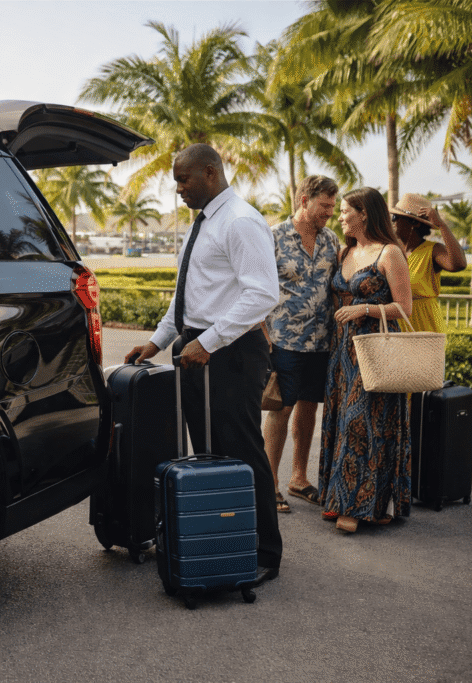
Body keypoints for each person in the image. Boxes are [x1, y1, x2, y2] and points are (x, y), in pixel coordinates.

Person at [125, 143, 281, 583]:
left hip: (230, 354)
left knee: (242, 452)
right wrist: (158, 342)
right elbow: (189, 295)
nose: (177, 189)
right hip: (196, 350)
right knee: (210, 455)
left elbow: (263, 294)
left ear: (210, 173)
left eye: (183, 179)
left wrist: (209, 342)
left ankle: (264, 553)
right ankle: (221, 542)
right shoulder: (205, 223)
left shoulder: (240, 221)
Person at [318, 187, 413, 534]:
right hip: (342, 350)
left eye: (345, 211)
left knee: (364, 425)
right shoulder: (347, 250)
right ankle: (344, 499)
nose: (340, 217)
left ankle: (354, 507)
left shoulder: (390, 253)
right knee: (344, 422)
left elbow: (404, 308)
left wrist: (366, 308)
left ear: (365, 214)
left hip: (375, 348)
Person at [263, 176, 340, 514]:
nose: (330, 213)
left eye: (333, 207)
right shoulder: (273, 236)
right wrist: (262, 335)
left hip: (322, 341)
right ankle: (269, 484)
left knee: (310, 407)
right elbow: (254, 286)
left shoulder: (331, 239)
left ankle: (298, 478)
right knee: (281, 408)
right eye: (325, 206)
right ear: (305, 200)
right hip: (283, 339)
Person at [390, 193, 468, 334]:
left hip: (424, 328)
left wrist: (441, 225)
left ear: (414, 222)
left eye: (396, 217)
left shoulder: (432, 251)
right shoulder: (391, 251)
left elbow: (459, 264)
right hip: (396, 329)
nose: (392, 221)